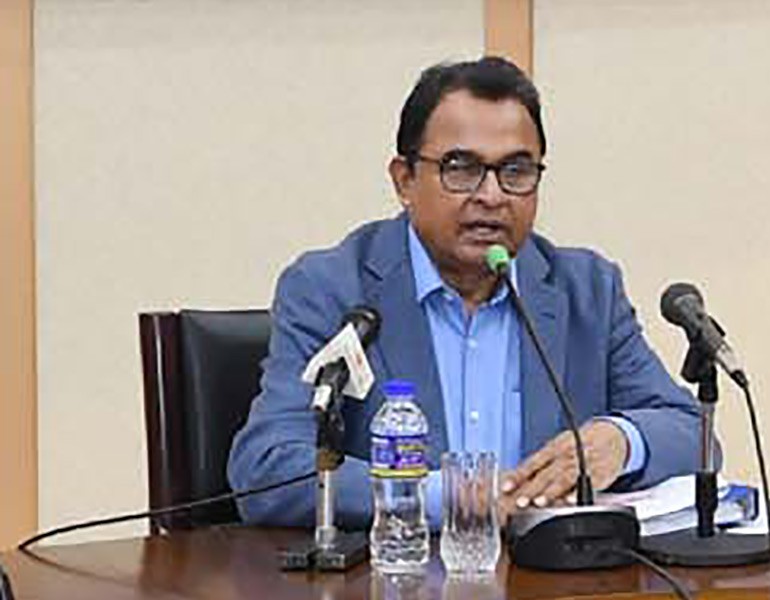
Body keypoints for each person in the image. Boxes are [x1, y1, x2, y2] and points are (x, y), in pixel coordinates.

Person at [227, 56, 714, 530]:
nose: (492, 195)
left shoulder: (586, 290)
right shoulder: (332, 288)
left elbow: (696, 434)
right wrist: (449, 497)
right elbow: (267, 469)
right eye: (461, 168)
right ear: (404, 180)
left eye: (516, 172)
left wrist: (623, 440)